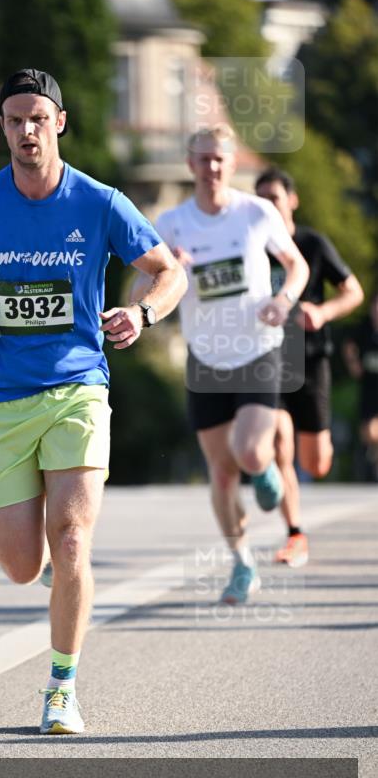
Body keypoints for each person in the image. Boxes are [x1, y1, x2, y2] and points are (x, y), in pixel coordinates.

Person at [0, 68, 186, 734]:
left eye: (37, 118)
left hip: (75, 389)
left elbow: (167, 271)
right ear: (2, 128)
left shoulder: (99, 203)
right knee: (22, 567)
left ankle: (60, 688)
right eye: (13, 120)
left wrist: (143, 313)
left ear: (59, 122)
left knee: (71, 541)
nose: (25, 131)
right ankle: (48, 580)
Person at [134, 125, 309, 605]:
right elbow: (137, 294)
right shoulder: (170, 224)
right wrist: (170, 268)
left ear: (232, 165)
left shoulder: (257, 212)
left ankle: (267, 468)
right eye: (203, 159)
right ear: (190, 164)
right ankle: (242, 563)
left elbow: (297, 266)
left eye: (219, 160)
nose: (211, 168)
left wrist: (284, 299)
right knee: (222, 472)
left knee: (249, 452)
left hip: (257, 348)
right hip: (205, 358)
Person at [255, 167, 364, 565]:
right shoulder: (252, 247)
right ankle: (294, 533)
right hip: (267, 358)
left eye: (275, 198)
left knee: (314, 462)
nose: (268, 206)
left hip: (312, 359)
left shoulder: (312, 244)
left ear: (292, 200)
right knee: (279, 444)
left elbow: (353, 292)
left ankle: (316, 454)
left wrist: (324, 311)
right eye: (261, 199)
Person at [343, 290, 378, 481]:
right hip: (369, 388)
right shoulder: (364, 328)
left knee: (374, 429)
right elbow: (349, 345)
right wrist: (353, 363)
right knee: (367, 433)